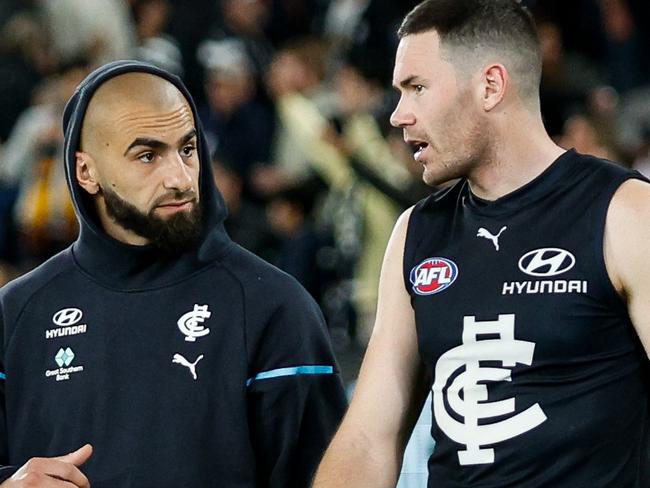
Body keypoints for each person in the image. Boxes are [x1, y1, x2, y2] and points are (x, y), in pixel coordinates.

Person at [313, 1, 650, 487]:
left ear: (490, 86)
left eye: (417, 88)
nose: (398, 115)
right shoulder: (415, 233)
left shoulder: (626, 213)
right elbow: (370, 438)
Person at [0, 60, 347, 487]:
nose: (181, 178)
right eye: (147, 155)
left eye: (187, 149)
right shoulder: (17, 314)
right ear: (85, 171)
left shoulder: (274, 307)